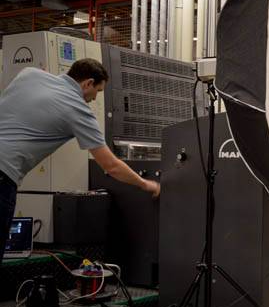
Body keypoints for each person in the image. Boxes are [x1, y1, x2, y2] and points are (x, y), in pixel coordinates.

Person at [0, 59, 160, 262]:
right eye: (98, 92)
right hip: (3, 174)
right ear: (88, 83)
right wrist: (146, 184)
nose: (93, 99)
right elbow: (111, 166)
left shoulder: (29, 73)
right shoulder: (78, 109)